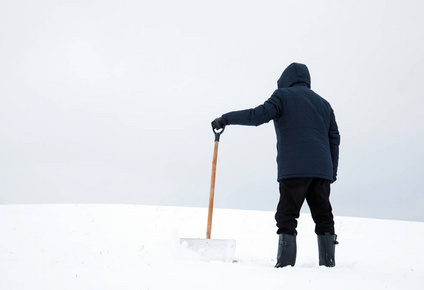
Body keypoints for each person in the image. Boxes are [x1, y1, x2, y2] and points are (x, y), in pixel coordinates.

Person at [211, 63, 340, 267]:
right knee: (324, 215)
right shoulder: (324, 104)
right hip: (321, 170)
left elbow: (256, 116)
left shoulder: (282, 97)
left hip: (294, 168)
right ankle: (328, 264)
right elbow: (334, 138)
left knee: (287, 215)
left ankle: (285, 266)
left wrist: (225, 119)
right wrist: (332, 170)